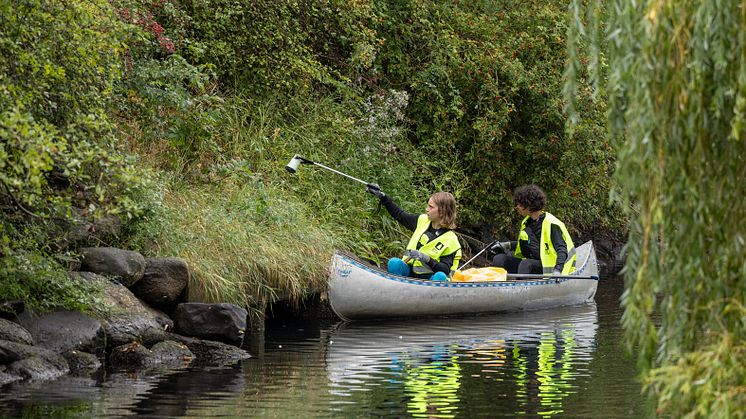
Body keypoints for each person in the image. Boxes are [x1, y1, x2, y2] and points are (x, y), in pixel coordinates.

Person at [366, 185, 462, 281]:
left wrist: (426, 258)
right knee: (394, 262)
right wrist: (383, 196)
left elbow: (445, 269)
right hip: (410, 272)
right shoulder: (422, 220)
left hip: (430, 278)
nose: (426, 209)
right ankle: (398, 288)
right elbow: (399, 215)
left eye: (431, 207)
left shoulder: (451, 239)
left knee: (440, 276)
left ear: (442, 211)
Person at [491, 184, 576, 275]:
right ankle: (498, 286)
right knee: (499, 259)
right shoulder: (527, 223)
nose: (517, 207)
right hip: (533, 263)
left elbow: (562, 249)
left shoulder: (551, 224)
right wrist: (507, 245)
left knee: (526, 264)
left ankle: (522, 288)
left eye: (519, 204)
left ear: (528, 205)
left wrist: (558, 270)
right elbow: (531, 244)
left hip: (551, 268)